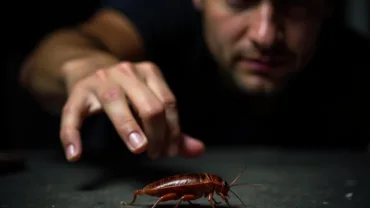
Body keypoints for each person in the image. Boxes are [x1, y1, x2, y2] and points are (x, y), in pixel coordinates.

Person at [19, 0, 370, 162]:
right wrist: (84, 67)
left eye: (296, 3)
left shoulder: (356, 64)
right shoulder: (160, 16)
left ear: (328, 6)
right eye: (238, 2)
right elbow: (39, 64)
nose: (265, 35)